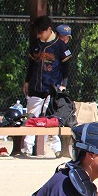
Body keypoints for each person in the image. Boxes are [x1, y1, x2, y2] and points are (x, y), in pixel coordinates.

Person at [22, 15, 73, 157]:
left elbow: (66, 67)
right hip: (36, 86)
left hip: (52, 88)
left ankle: (57, 149)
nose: (39, 35)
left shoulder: (60, 45)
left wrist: (63, 85)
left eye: (41, 32)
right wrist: (27, 81)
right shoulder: (36, 44)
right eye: (37, 32)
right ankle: (27, 148)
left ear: (49, 29)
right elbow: (31, 64)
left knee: (52, 119)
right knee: (31, 118)